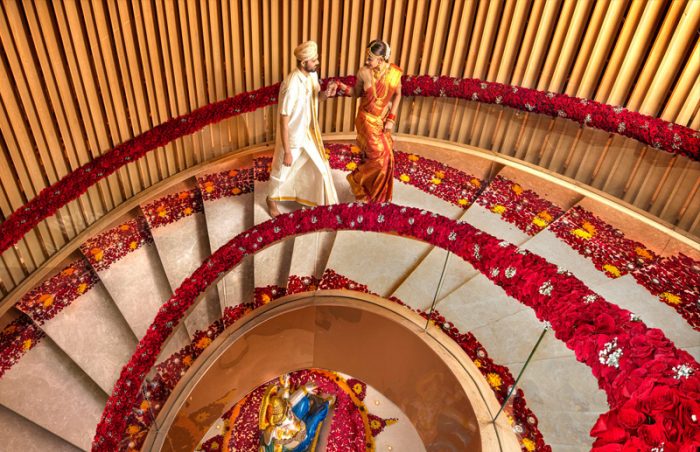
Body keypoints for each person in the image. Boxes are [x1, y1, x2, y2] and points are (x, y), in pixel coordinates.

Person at [266, 41, 339, 217]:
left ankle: (322, 205)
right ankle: (270, 200)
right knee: (281, 172)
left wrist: (326, 94)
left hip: (308, 133)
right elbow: (283, 121)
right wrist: (287, 151)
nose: (317, 63)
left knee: (321, 168)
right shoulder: (291, 85)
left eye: (317, 59)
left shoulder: (312, 75)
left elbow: (317, 98)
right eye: (314, 60)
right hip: (292, 138)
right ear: (303, 62)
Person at [343, 39, 402, 203]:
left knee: (387, 156)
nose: (367, 61)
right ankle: (357, 181)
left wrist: (391, 119)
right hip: (365, 119)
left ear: (381, 60)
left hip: (381, 120)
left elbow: (398, 94)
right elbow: (355, 93)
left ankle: (373, 193)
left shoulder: (394, 73)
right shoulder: (363, 72)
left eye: (370, 58)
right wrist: (341, 86)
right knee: (379, 156)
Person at [259, 374, 334, 452]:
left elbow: (290, 402)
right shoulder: (276, 433)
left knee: (303, 402)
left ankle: (309, 399)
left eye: (288, 412)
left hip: (297, 421)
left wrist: (304, 389)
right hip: (299, 441)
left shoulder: (285, 408)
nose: (289, 416)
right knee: (315, 419)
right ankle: (326, 404)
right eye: (286, 418)